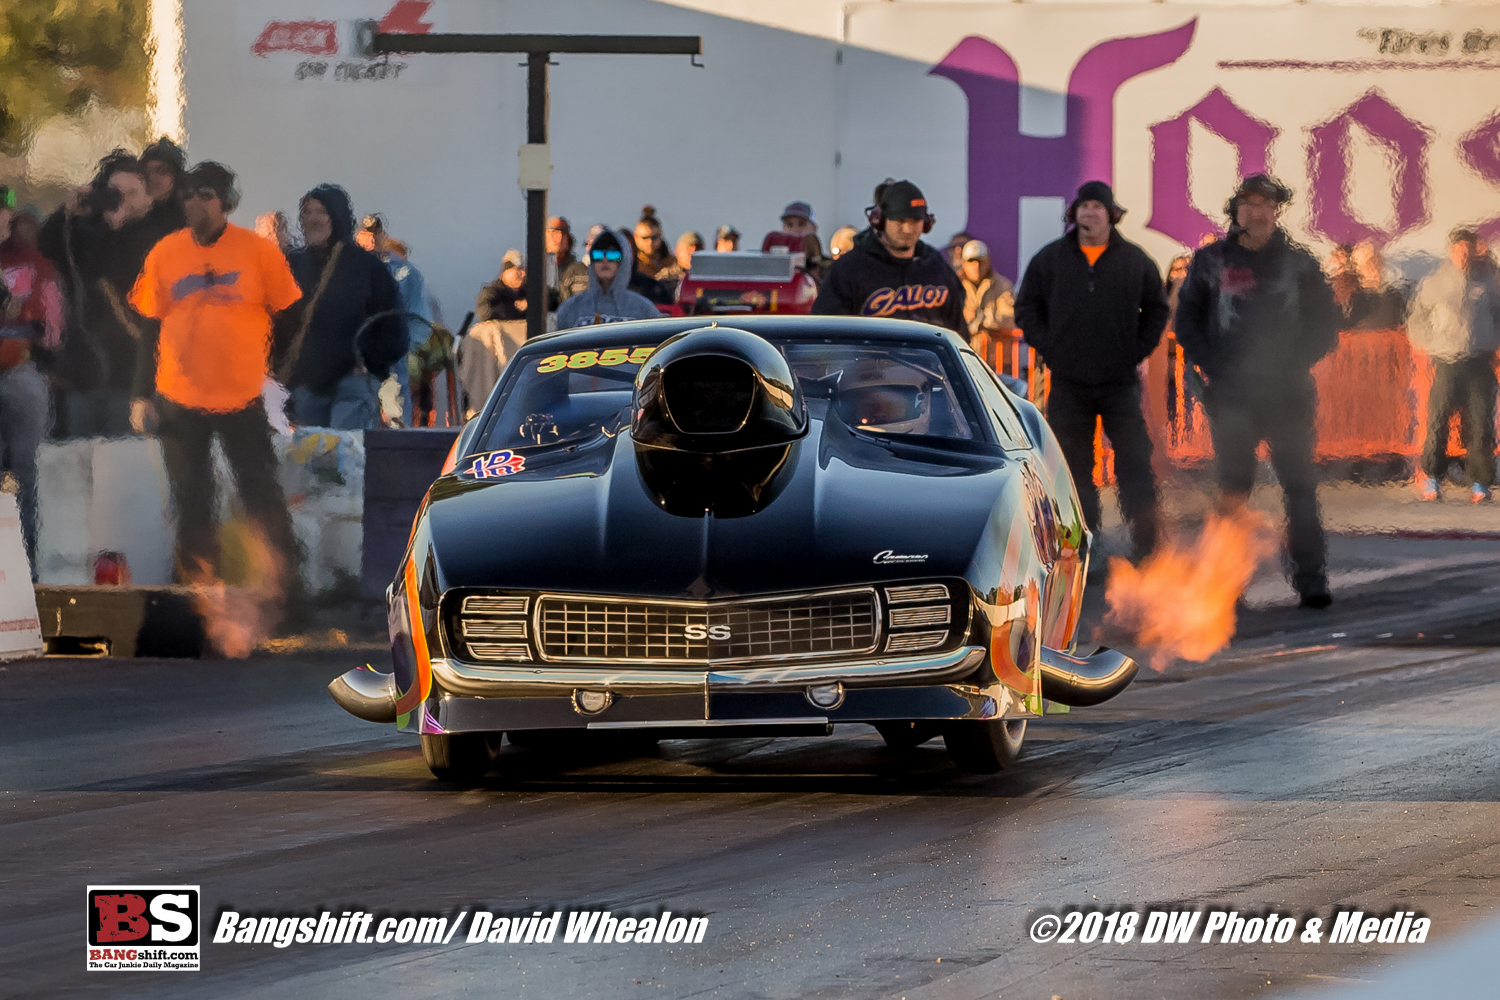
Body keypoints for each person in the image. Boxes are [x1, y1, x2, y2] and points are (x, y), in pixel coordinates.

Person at [126, 162, 304, 600]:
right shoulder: (165, 252)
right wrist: (138, 394)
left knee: (260, 496)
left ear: (226, 200)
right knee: (192, 500)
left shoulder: (258, 252)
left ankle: (284, 595)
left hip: (242, 395)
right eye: (187, 194)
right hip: (178, 395)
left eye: (204, 194)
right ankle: (201, 598)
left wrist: (273, 369)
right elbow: (149, 327)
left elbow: (291, 316)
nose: (193, 202)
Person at [1174, 174, 1342, 608]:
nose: (1257, 211)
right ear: (1236, 211)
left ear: (1276, 211)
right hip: (1232, 396)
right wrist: (1215, 367)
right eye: (1248, 204)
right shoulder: (1210, 261)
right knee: (1233, 489)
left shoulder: (1299, 263)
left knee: (1300, 487)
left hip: (1288, 395)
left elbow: (1326, 323)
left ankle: (1311, 580)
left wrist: (1294, 363)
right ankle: (1227, 584)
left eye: (1265, 204)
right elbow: (1187, 323)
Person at [1014, 181, 1170, 560]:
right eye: (1083, 206)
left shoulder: (1135, 260)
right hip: (1069, 384)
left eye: (1098, 207)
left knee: (1134, 460)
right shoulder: (1049, 259)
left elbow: (1157, 309)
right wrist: (1050, 347)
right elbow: (1026, 308)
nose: (1090, 213)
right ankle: (1083, 545)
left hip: (1119, 383)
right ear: (1074, 214)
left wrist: (1135, 350)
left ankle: (1147, 543)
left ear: (1111, 214)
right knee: (1071, 467)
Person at [37, 151, 159, 437]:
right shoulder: (83, 230)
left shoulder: (156, 238)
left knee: (125, 460)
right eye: (115, 193)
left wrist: (115, 224)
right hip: (84, 369)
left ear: (148, 199)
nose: (123, 200)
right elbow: (46, 249)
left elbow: (117, 269)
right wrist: (67, 213)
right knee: (80, 456)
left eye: (132, 193)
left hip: (132, 372)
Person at [277, 184, 405, 429]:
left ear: (337, 216)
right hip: (306, 385)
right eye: (307, 212)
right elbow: (276, 322)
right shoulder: (292, 265)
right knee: (311, 459)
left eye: (321, 212)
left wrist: (371, 364)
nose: (312, 219)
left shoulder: (367, 268)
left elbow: (392, 325)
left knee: (346, 453)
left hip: (352, 383)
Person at [1405, 226, 1500, 503]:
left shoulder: (1490, 283)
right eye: (1459, 248)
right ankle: (1432, 478)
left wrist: (1493, 342)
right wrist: (1429, 344)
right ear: (1451, 250)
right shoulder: (1434, 283)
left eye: (1468, 248)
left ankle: (1480, 482)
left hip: (1479, 362)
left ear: (1474, 250)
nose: (1463, 253)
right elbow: (1417, 318)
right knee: (1438, 421)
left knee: (1481, 424)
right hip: (1446, 362)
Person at [0, 186, 63, 571]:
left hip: (21, 374)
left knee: (23, 473)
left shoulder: (39, 266)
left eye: (7, 212)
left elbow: (53, 330)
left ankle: (25, 566)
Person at [811, 179, 964, 333]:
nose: (908, 229)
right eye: (901, 220)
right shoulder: (850, 269)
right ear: (879, 220)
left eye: (915, 221)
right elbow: (827, 334)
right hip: (870, 356)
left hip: (927, 356)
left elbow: (958, 332)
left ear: (927, 223)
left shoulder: (936, 266)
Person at [358, 214, 433, 426]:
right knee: (359, 422)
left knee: (396, 418)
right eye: (366, 234)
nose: (371, 239)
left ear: (383, 235)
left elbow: (419, 318)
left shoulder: (406, 273)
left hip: (391, 357)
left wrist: (402, 347)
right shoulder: (347, 269)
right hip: (356, 359)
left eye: (376, 233)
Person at [555, 228, 661, 329]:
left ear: (624, 260)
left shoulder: (644, 310)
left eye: (613, 255)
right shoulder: (570, 309)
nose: (605, 260)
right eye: (598, 255)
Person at [958, 239, 1015, 346]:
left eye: (981, 261)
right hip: (960, 357)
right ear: (963, 263)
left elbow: (1010, 318)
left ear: (988, 261)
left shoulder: (1003, 286)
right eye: (971, 261)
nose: (976, 266)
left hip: (995, 359)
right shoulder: (953, 283)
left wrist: (979, 317)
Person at [1348, 240, 1408, 330]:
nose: (1360, 269)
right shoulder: (1352, 300)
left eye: (1373, 261)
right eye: (1357, 265)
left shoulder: (1397, 296)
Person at [138, 136, 188, 241]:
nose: (152, 177)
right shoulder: (130, 216)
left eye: (162, 171)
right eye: (146, 171)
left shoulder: (188, 222)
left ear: (176, 177)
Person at [476, 250, 528, 322]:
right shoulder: (491, 292)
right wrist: (516, 308)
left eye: (525, 270)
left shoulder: (529, 292)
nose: (523, 274)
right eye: (518, 270)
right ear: (506, 272)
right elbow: (485, 313)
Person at [546, 216, 590, 304]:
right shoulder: (532, 270)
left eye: (563, 233)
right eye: (553, 233)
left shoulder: (578, 271)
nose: (559, 238)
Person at [656, 232, 703, 301]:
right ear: (677, 250)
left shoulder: (708, 277)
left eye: (697, 248)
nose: (693, 253)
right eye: (688, 248)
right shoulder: (666, 276)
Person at [633, 206, 673, 281]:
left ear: (661, 236)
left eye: (654, 237)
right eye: (644, 238)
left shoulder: (672, 263)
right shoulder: (633, 264)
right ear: (636, 237)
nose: (650, 242)